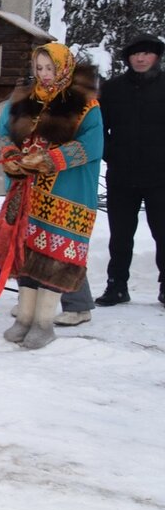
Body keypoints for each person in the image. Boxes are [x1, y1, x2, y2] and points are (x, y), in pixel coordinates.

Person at [0, 43, 102, 349]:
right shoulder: (23, 98)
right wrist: (10, 153)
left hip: (65, 195)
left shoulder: (84, 104)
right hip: (26, 194)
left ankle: (44, 322)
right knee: (25, 257)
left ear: (65, 67)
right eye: (38, 68)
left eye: (49, 68)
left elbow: (92, 146)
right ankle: (23, 317)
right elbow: (5, 132)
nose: (44, 74)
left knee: (54, 259)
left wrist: (51, 160)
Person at [94, 33, 165, 308]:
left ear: (156, 57)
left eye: (147, 53)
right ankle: (117, 285)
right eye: (136, 54)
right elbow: (98, 127)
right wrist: (110, 153)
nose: (141, 58)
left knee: (163, 233)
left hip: (160, 175)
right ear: (128, 58)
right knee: (120, 234)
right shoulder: (112, 88)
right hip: (121, 174)